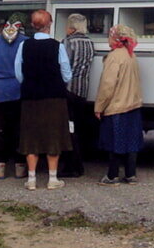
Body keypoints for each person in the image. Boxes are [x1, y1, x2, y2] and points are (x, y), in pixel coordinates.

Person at [14, 9, 72, 190]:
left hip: (30, 97)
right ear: (50, 24)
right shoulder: (58, 46)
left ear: (32, 25)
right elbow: (66, 74)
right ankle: (52, 178)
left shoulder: (24, 45)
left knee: (31, 137)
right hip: (54, 97)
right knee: (53, 136)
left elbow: (18, 73)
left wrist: (30, 83)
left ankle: (31, 179)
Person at [94, 24, 144, 185]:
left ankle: (112, 175)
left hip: (117, 106)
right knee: (131, 142)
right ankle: (131, 174)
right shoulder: (131, 55)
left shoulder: (114, 57)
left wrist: (99, 106)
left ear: (115, 38)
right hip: (133, 105)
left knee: (114, 142)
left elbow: (107, 85)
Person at [0, 16, 28, 180]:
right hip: (19, 91)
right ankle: (20, 168)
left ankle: (0, 168)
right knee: (19, 130)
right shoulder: (25, 41)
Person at [57, 13, 95, 178]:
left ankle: (72, 166)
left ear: (71, 28)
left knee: (68, 129)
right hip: (83, 90)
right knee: (78, 127)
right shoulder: (89, 43)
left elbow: (63, 66)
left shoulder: (67, 42)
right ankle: (79, 163)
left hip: (69, 89)